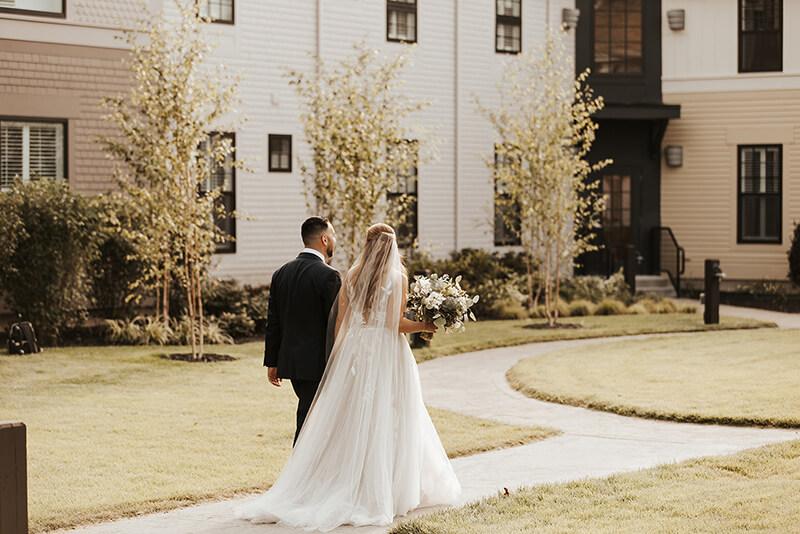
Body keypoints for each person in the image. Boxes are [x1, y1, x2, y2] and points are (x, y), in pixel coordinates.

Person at [237, 223, 461, 530]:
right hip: (387, 353)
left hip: (357, 350)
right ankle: (386, 488)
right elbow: (395, 323)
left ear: (367, 244)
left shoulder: (351, 276)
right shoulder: (398, 278)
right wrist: (424, 325)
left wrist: (340, 361)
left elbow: (341, 323)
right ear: (392, 247)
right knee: (393, 414)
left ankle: (342, 481)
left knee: (355, 417)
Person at [263, 216, 341, 445]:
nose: (335, 240)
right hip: (320, 364)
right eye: (333, 235)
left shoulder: (281, 273)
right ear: (324, 239)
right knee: (310, 420)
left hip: (292, 363)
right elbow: (336, 324)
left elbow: (273, 321)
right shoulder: (329, 276)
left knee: (312, 417)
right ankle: (300, 475)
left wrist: (272, 362)